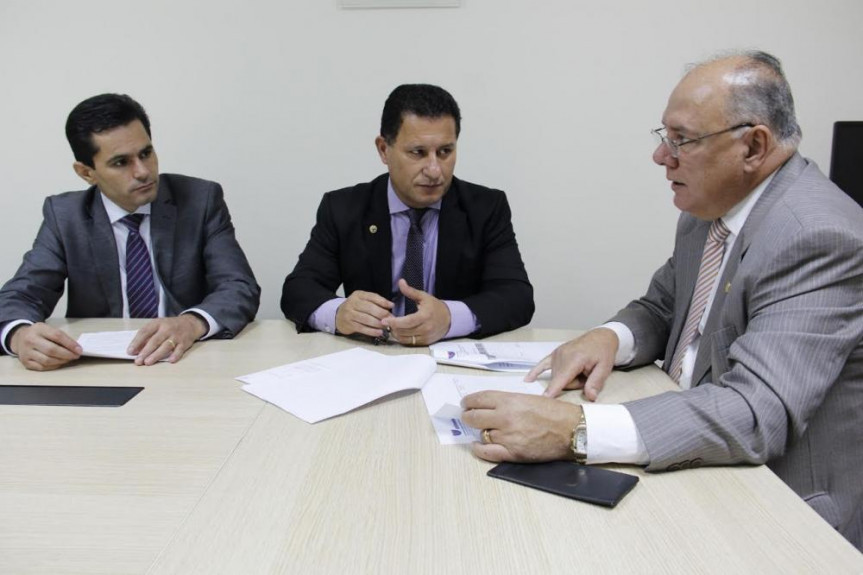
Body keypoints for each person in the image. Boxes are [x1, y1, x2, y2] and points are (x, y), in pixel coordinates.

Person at [461, 51, 863, 550]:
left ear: (754, 146)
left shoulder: (819, 236)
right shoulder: (707, 211)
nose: (661, 156)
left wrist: (576, 430)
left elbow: (758, 413)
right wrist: (610, 336)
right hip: (693, 461)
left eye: (683, 140)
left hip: (776, 512)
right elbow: (661, 307)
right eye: (664, 137)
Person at [0, 94, 261, 370]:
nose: (143, 172)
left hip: (184, 359)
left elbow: (238, 286)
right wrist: (18, 336)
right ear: (86, 173)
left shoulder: (199, 200)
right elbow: (23, 294)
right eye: (121, 162)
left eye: (146, 154)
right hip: (98, 367)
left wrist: (191, 322)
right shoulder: (66, 217)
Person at [281, 84, 534, 346]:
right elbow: (298, 290)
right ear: (383, 149)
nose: (435, 170)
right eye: (418, 153)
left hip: (450, 358)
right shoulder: (343, 208)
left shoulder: (486, 208)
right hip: (371, 360)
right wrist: (339, 313)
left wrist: (449, 317)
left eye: (445, 152)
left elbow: (516, 297)